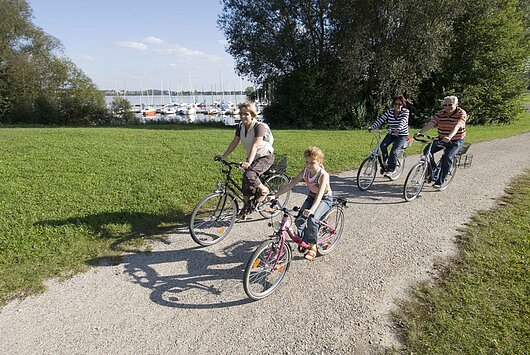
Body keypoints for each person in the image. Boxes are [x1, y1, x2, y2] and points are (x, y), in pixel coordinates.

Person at [271, 146, 333, 261]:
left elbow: (319, 196)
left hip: (325, 198)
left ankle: (313, 248)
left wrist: (312, 210)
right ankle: (306, 239)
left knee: (312, 219)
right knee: (299, 220)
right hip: (311, 196)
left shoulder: (323, 175)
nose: (308, 165)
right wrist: (275, 195)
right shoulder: (305, 171)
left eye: (312, 163)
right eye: (307, 162)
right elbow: (291, 184)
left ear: (320, 162)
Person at [215, 101, 274, 216]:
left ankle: (264, 190)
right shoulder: (240, 127)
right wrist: (223, 156)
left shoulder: (259, 127)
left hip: (265, 156)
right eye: (241, 113)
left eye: (246, 114)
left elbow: (255, 145)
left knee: (249, 175)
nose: (243, 116)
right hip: (253, 157)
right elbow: (234, 142)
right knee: (246, 182)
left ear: (252, 114)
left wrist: (248, 162)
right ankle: (246, 208)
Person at [414, 95, 467, 189]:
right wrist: (420, 132)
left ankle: (440, 181)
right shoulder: (440, 113)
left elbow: (457, 126)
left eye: (450, 105)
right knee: (427, 151)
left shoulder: (461, 113)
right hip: (441, 138)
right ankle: (432, 171)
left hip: (456, 140)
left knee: (447, 157)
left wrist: (450, 136)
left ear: (456, 104)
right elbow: (432, 123)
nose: (447, 107)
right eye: (445, 105)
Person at [368, 95, 410, 178]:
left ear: (403, 105)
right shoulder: (390, 112)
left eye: (399, 104)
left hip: (402, 135)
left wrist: (398, 128)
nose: (397, 106)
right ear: (393, 104)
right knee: (382, 146)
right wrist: (372, 127)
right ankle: (386, 162)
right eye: (395, 104)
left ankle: (391, 170)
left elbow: (403, 121)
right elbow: (381, 119)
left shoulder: (405, 112)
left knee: (394, 151)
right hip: (392, 133)